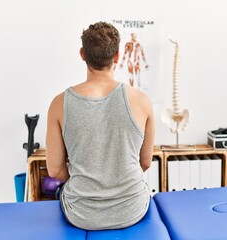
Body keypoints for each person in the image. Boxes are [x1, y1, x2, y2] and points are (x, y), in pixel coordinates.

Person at [45, 21, 155, 230]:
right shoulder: (142, 100)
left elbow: (55, 170)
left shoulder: (59, 104)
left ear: (82, 54)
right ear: (117, 56)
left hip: (81, 213)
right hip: (132, 209)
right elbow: (146, 162)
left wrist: (84, 181)